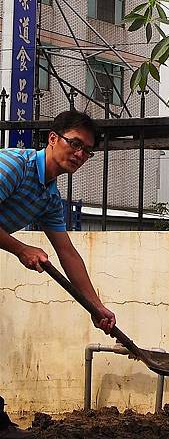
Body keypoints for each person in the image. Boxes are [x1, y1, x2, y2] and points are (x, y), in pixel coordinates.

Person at [0, 111, 116, 438]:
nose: (80, 154)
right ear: (53, 139)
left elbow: (68, 254)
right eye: (75, 144)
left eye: (87, 150)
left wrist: (96, 307)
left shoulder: (48, 197)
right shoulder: (14, 167)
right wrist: (22, 248)